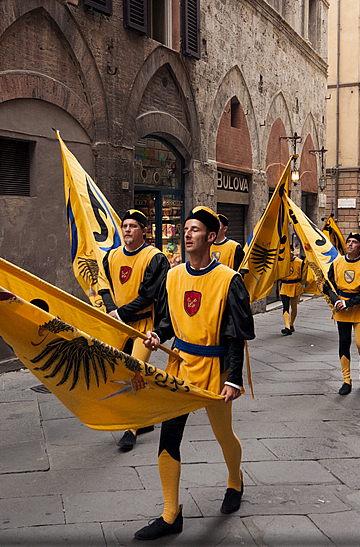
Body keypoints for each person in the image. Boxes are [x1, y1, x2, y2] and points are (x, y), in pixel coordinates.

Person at [135, 206, 254, 541]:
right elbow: (167, 319)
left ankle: (235, 481)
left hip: (216, 370)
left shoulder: (229, 280)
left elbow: (237, 333)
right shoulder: (173, 277)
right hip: (180, 367)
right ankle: (171, 514)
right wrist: (159, 335)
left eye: (195, 229)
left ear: (211, 237)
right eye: (185, 228)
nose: (187, 234)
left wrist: (234, 377)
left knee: (223, 434)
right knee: (168, 438)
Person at [100, 209, 170, 451]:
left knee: (134, 370)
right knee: (112, 369)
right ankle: (143, 418)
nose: (127, 230)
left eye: (132, 226)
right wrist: (112, 311)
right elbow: (103, 285)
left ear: (143, 230)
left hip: (142, 325)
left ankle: (130, 428)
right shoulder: (111, 256)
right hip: (118, 324)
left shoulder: (155, 258)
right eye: (124, 226)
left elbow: (149, 295)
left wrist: (120, 313)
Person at [324, 233, 360, 395]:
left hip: (359, 308)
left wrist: (349, 303)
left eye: (354, 242)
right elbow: (328, 285)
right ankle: (346, 380)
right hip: (341, 309)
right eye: (348, 241)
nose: (349, 244)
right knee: (344, 342)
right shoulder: (337, 263)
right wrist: (336, 301)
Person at [278, 245, 307, 335]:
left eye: (292, 250)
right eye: (288, 250)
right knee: (285, 306)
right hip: (285, 286)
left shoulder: (299, 262)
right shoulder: (281, 262)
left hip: (295, 285)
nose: (290, 252)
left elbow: (304, 273)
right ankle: (287, 327)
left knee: (294, 307)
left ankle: (291, 324)